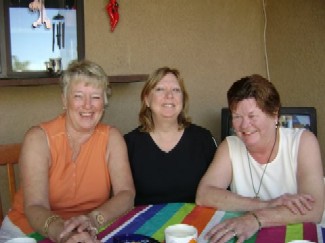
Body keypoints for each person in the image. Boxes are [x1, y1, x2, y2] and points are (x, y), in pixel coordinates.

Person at [0, 60, 135, 243]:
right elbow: (34, 206)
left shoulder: (112, 138)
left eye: (95, 97)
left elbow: (126, 194)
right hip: (27, 232)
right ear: (64, 100)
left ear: (104, 103)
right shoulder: (38, 139)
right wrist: (64, 233)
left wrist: (93, 220)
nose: (87, 106)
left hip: (89, 229)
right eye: (78, 96)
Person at [196, 74, 324, 243]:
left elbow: (313, 210)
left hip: (301, 236)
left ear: (274, 114)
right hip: (252, 235)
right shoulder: (230, 146)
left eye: (252, 116)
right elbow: (204, 194)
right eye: (237, 116)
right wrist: (267, 204)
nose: (244, 126)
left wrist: (255, 219)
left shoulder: (303, 142)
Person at [124, 66, 217, 206]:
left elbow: (218, 191)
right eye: (160, 89)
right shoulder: (129, 144)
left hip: (195, 224)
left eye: (176, 90)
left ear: (183, 99)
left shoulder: (203, 139)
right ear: (147, 100)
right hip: (145, 226)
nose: (169, 96)